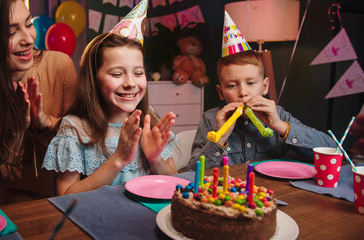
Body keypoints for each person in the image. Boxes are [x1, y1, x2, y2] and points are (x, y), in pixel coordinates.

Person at [0, 0, 78, 206]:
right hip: (4, 212)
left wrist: (44, 123)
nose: (28, 39)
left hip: (60, 205)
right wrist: (17, 134)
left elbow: (84, 146)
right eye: (11, 32)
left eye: (28, 24)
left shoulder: (59, 66)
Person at [42, 33, 178, 195]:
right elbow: (65, 196)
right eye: (117, 74)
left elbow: (176, 184)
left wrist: (154, 158)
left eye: (138, 73)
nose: (130, 83)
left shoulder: (148, 118)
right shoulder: (75, 128)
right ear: (93, 79)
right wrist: (118, 159)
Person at [187, 50, 336, 169]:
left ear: (265, 86)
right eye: (232, 85)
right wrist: (220, 138)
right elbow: (192, 172)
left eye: (250, 83)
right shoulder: (211, 119)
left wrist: (280, 126)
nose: (243, 92)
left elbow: (333, 151)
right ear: (220, 92)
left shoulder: (279, 115)